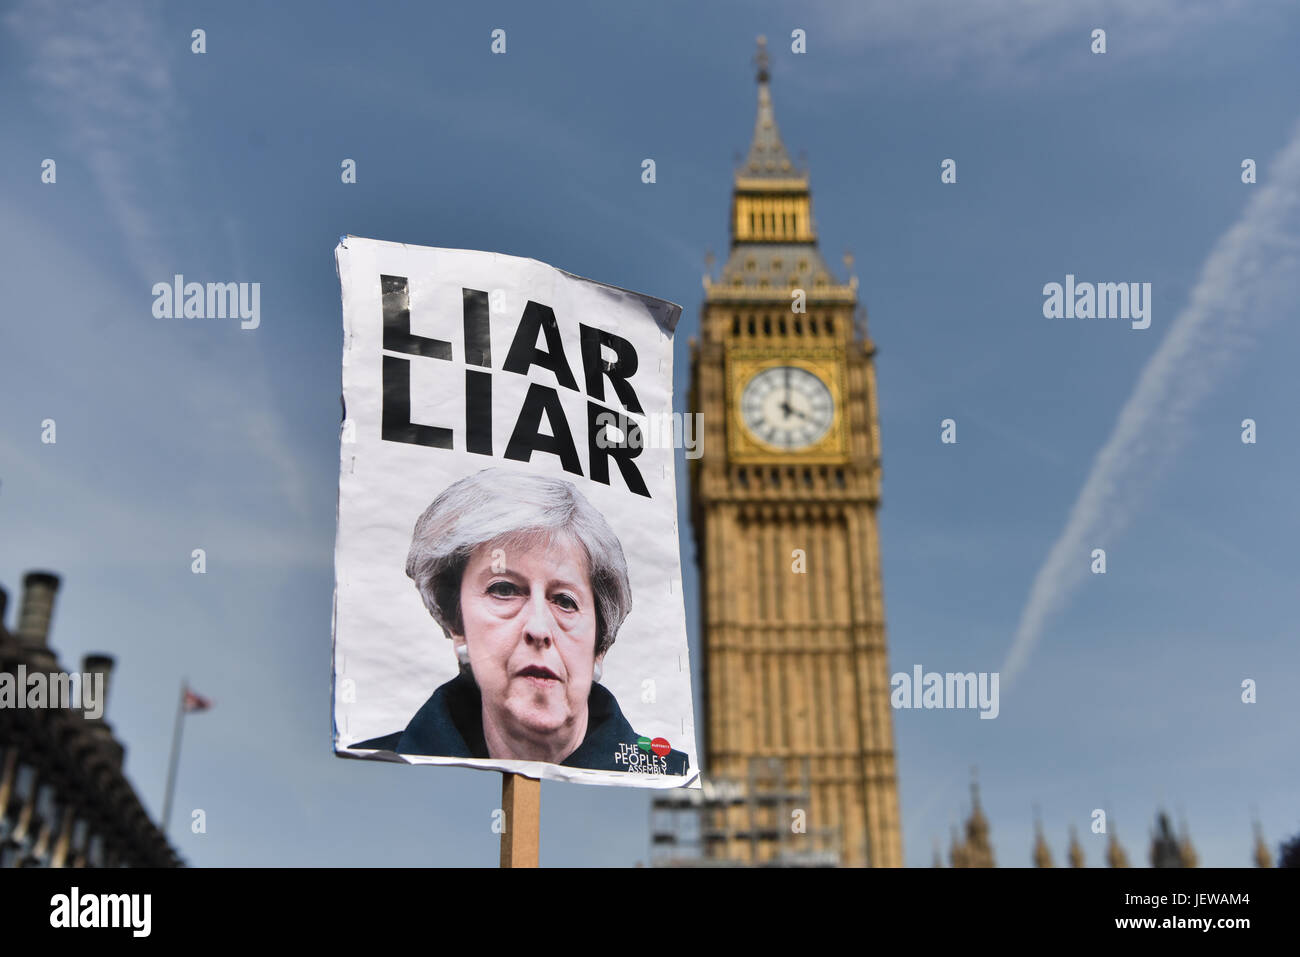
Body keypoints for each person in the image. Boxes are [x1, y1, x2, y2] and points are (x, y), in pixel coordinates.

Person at [350, 468, 688, 775]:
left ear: (600, 645)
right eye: (504, 590)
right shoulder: (374, 771)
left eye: (565, 601)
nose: (538, 629)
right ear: (457, 623)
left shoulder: (670, 774)